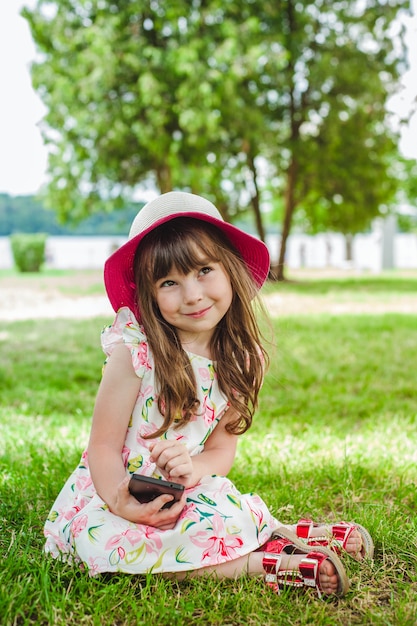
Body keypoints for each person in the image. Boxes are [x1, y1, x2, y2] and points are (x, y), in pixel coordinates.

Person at [44, 191, 373, 597]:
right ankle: (268, 564)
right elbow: (103, 447)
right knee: (103, 542)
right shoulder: (134, 351)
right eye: (169, 282)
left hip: (185, 489)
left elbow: (221, 452)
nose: (193, 294)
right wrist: (121, 501)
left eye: (203, 271)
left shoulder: (242, 359)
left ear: (229, 268)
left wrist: (191, 471)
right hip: (117, 489)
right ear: (149, 293)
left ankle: (291, 534)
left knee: (226, 512)